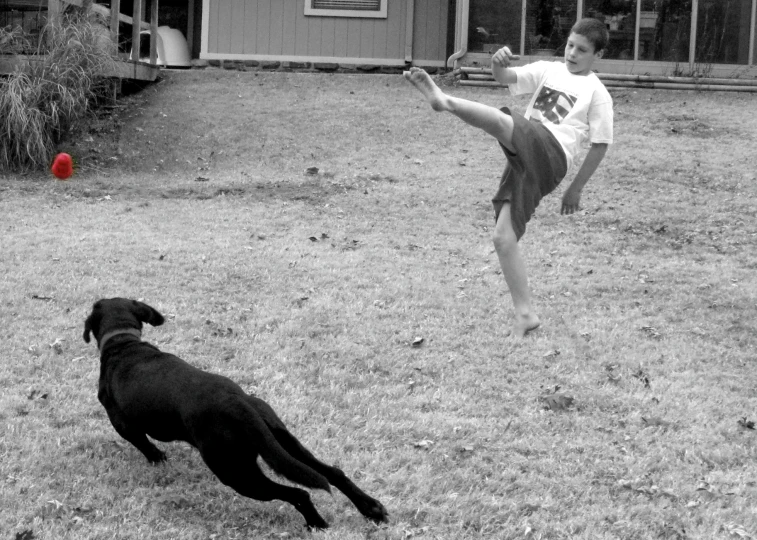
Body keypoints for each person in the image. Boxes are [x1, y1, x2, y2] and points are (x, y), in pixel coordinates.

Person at [404, 18, 614, 338]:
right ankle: (526, 314)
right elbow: (504, 77)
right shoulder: (550, 69)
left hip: (550, 154)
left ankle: (444, 101)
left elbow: (600, 144)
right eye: (570, 45)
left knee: (503, 123)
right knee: (503, 238)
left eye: (582, 50)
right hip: (524, 152)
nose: (572, 53)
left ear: (596, 54)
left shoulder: (596, 92)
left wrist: (575, 189)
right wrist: (497, 62)